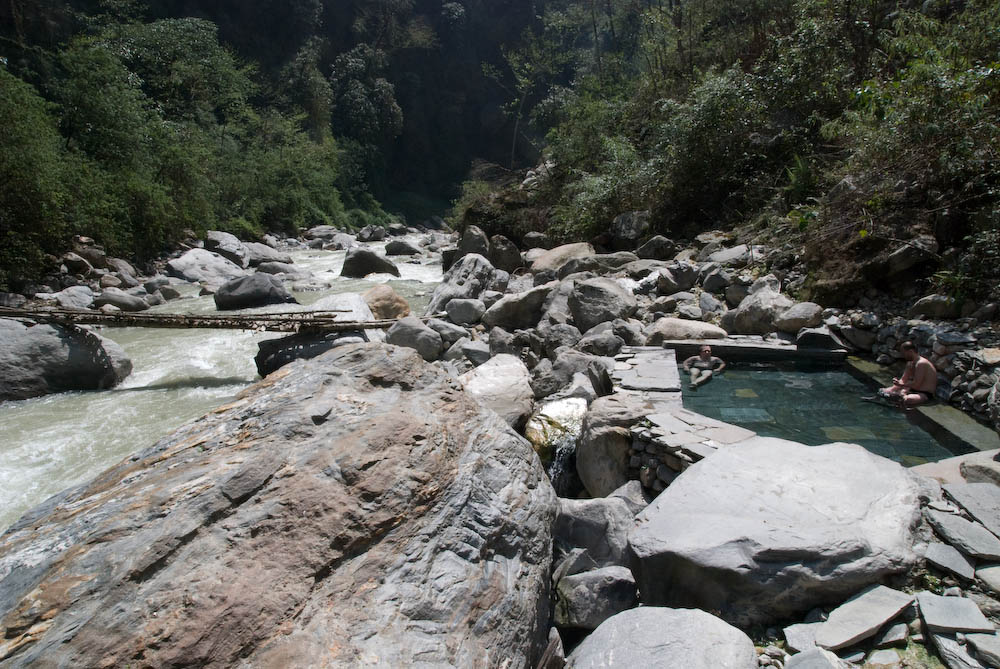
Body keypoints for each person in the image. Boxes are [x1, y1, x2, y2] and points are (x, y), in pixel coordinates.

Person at [878, 341, 937, 407]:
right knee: (884, 391)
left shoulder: (921, 363)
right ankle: (897, 396)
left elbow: (916, 384)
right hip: (910, 388)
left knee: (908, 399)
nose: (902, 355)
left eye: (903, 353)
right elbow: (903, 379)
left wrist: (902, 386)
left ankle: (901, 397)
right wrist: (897, 383)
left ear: (911, 351)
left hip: (924, 393)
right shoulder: (910, 363)